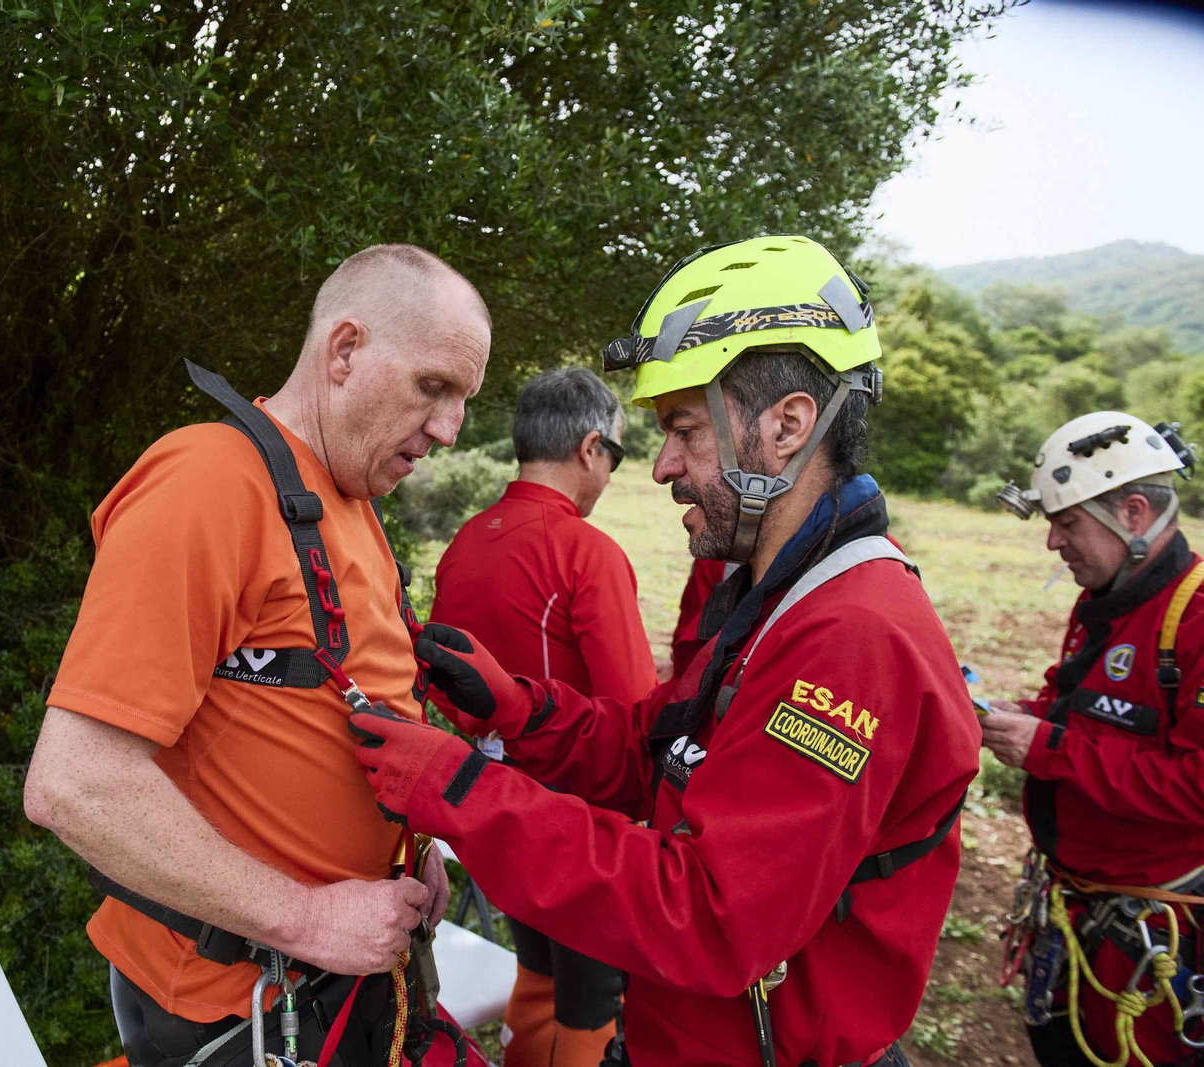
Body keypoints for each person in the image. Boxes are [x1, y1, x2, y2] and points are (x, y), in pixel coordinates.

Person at [345, 234, 980, 1067]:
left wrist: (458, 786)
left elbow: (714, 914)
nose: (662, 467)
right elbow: (662, 746)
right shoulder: (777, 595)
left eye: (685, 429)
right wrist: (518, 706)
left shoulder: (854, 634)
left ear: (787, 424)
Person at [22, 244, 491, 1067]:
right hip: (244, 1014)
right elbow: (76, 781)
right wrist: (309, 919)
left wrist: (417, 847)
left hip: (353, 991)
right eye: (433, 387)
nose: (451, 429)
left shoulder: (346, 499)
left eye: (464, 400)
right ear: (345, 351)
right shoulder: (210, 482)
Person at [429, 367, 656, 1067]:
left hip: (492, 807)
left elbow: (442, 679)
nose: (612, 474)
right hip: (580, 819)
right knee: (592, 998)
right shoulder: (587, 552)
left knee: (536, 970)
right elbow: (635, 716)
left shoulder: (468, 540)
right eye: (616, 457)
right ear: (591, 449)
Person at [988, 411, 1204, 1067]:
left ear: (1134, 513)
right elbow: (1078, 707)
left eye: (1068, 522)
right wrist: (1014, 714)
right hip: (1081, 918)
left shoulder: (1193, 618)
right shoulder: (1109, 599)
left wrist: (1045, 747)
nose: (1053, 542)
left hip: (1160, 943)